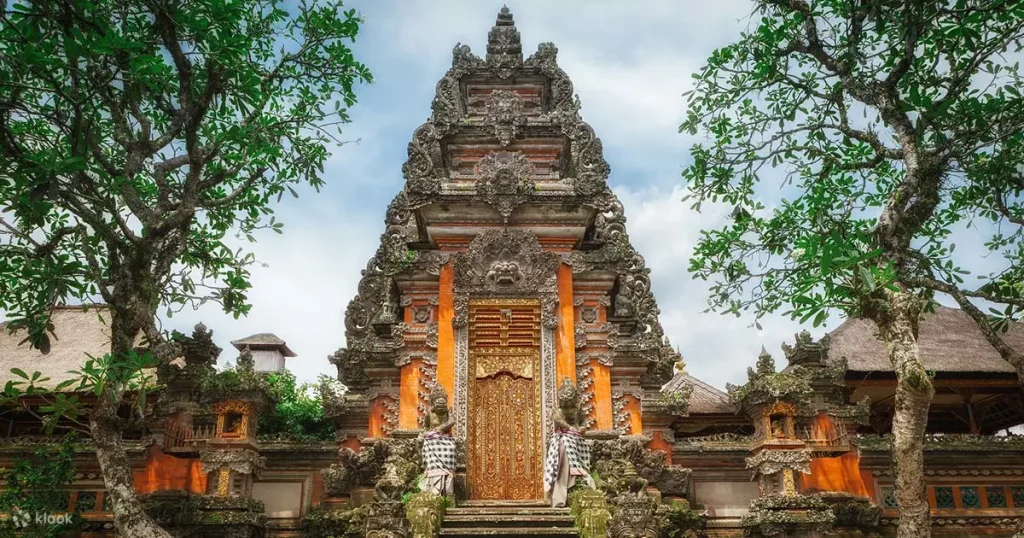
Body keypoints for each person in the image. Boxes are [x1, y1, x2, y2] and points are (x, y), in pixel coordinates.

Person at [543, 377, 593, 507]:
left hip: (577, 439)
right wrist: (570, 428)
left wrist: (582, 427)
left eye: (569, 401)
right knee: (562, 449)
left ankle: (577, 483)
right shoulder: (557, 410)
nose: (566, 404)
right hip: (563, 437)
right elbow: (558, 420)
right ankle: (557, 493)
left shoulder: (577, 409)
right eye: (564, 401)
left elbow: (583, 421)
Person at [421, 384, 456, 496]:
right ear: (433, 404)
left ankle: (447, 476)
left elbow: (452, 421)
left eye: (443, 405)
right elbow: (426, 427)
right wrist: (429, 434)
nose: (441, 408)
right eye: (438, 405)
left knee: (451, 449)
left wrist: (441, 428)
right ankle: (434, 484)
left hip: (446, 439)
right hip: (432, 439)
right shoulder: (429, 413)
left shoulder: (448, 412)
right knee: (429, 446)